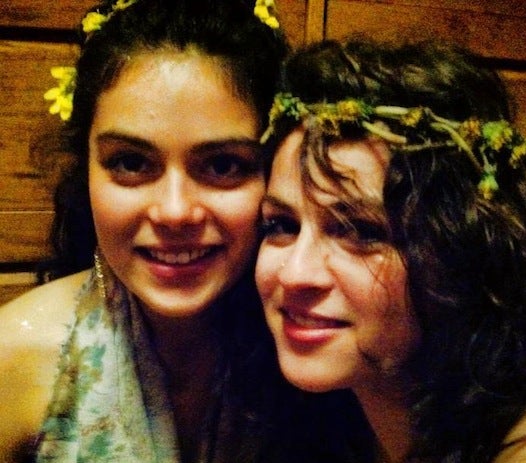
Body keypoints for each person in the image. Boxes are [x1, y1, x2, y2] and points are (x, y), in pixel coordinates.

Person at [0, 2, 369, 462]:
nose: (175, 212)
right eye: (131, 163)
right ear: (86, 171)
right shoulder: (12, 359)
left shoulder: (327, 346)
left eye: (222, 165)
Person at [256, 38, 526, 463]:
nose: (294, 273)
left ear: (457, 249)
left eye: (360, 232)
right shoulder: (328, 417)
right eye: (281, 226)